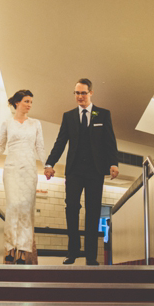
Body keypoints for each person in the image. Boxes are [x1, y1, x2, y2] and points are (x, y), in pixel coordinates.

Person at [44, 78, 119, 265]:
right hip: (74, 171)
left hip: (95, 170)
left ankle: (91, 256)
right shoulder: (68, 116)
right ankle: (73, 251)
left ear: (91, 93)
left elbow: (110, 141)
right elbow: (60, 142)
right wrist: (49, 163)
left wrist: (113, 163)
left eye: (83, 93)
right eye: (76, 93)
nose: (79, 96)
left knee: (93, 211)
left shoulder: (103, 114)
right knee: (71, 209)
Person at [0, 90, 46, 264]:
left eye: (31, 102)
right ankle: (10, 247)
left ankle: (23, 251)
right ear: (17, 103)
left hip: (29, 169)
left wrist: (48, 166)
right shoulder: (7, 123)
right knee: (13, 206)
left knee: (26, 209)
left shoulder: (36, 123)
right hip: (12, 168)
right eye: (26, 101)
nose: (29, 105)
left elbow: (40, 147)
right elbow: (1, 147)